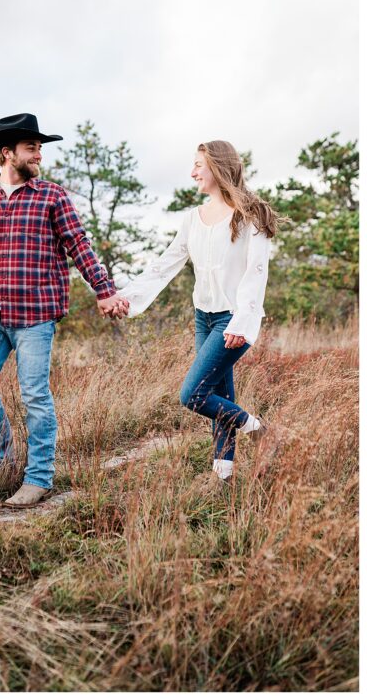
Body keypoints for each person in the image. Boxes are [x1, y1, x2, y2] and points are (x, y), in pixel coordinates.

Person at [0, 113, 128, 508]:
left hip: (36, 314)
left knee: (35, 396)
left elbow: (79, 245)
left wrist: (104, 291)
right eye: (32, 148)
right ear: (7, 153)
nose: (39, 155)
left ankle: (39, 478)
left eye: (40, 148)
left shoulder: (52, 196)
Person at [117, 140, 282, 489]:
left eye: (198, 165)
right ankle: (222, 475)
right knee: (218, 390)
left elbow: (256, 273)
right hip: (203, 317)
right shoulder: (192, 218)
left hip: (233, 318)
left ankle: (258, 429)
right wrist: (127, 298)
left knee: (192, 394)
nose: (192, 172)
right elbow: (164, 265)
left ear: (218, 168)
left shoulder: (250, 216)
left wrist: (241, 322)